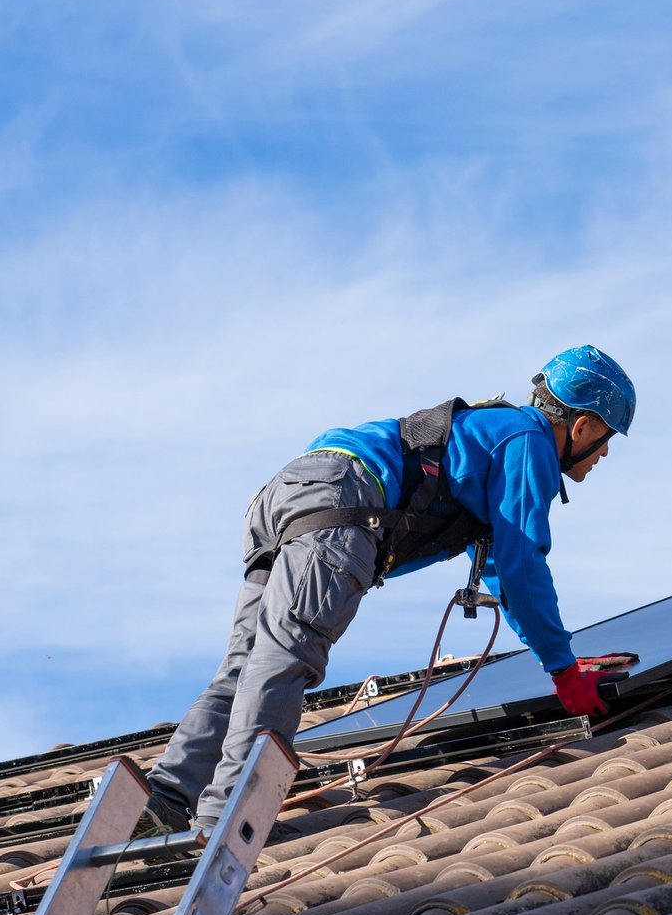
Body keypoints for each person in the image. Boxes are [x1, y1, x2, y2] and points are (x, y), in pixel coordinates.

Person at [137, 345, 637, 837]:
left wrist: (557, 658)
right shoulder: (527, 440)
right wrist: (564, 672)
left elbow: (503, 570)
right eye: (607, 436)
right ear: (581, 426)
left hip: (288, 495)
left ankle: (168, 797)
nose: (605, 452)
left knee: (248, 663)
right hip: (343, 502)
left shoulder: (490, 433)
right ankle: (231, 815)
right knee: (287, 655)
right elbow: (523, 561)